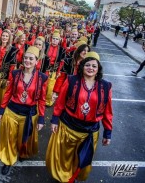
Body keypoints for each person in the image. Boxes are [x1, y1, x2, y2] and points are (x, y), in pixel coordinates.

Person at [46, 51, 113, 183]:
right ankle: (62, 178)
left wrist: (108, 132)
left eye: (94, 66)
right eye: (88, 65)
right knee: (64, 156)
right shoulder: (71, 80)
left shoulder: (105, 86)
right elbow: (60, 103)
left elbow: (108, 111)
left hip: (89, 132)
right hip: (68, 126)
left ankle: (73, 177)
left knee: (81, 159)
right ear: (82, 66)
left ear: (98, 68)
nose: (91, 68)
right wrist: (54, 119)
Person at [0, 46, 48, 175]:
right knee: (9, 137)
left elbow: (42, 100)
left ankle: (21, 152)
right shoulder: (15, 73)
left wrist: (41, 118)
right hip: (12, 111)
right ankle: (8, 160)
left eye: (31, 58)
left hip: (29, 114)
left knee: (23, 139)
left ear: (37, 61)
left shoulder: (42, 78)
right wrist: (1, 109)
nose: (27, 61)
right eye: (25, 58)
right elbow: (8, 93)